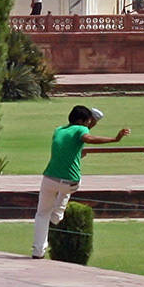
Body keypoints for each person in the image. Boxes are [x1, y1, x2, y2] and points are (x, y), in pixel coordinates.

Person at [33, 103, 97, 252]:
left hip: (49, 178)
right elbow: (87, 136)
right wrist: (115, 139)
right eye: (88, 121)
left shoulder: (58, 130)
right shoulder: (81, 130)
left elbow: (76, 135)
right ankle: (57, 214)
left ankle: (38, 250)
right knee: (72, 184)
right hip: (70, 182)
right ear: (81, 121)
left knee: (42, 214)